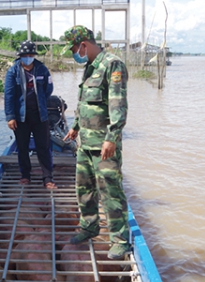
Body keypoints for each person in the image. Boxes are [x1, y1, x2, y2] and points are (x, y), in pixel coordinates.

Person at [61, 26, 131, 260]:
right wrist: (75, 127)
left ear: (84, 45)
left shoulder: (112, 64)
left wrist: (112, 138)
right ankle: (89, 227)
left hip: (103, 144)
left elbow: (118, 105)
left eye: (74, 48)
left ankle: (120, 239)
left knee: (111, 191)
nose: (74, 53)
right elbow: (85, 103)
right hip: (86, 143)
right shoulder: (89, 67)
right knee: (84, 189)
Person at [4, 40, 57, 189]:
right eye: (24, 55)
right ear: (20, 56)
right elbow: (9, 95)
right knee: (22, 147)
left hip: (40, 116)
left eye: (30, 54)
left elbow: (49, 88)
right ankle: (25, 176)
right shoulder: (13, 71)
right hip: (21, 117)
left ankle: (47, 178)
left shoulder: (42, 69)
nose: (27, 57)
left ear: (34, 55)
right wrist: (10, 117)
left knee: (44, 147)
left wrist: (39, 100)